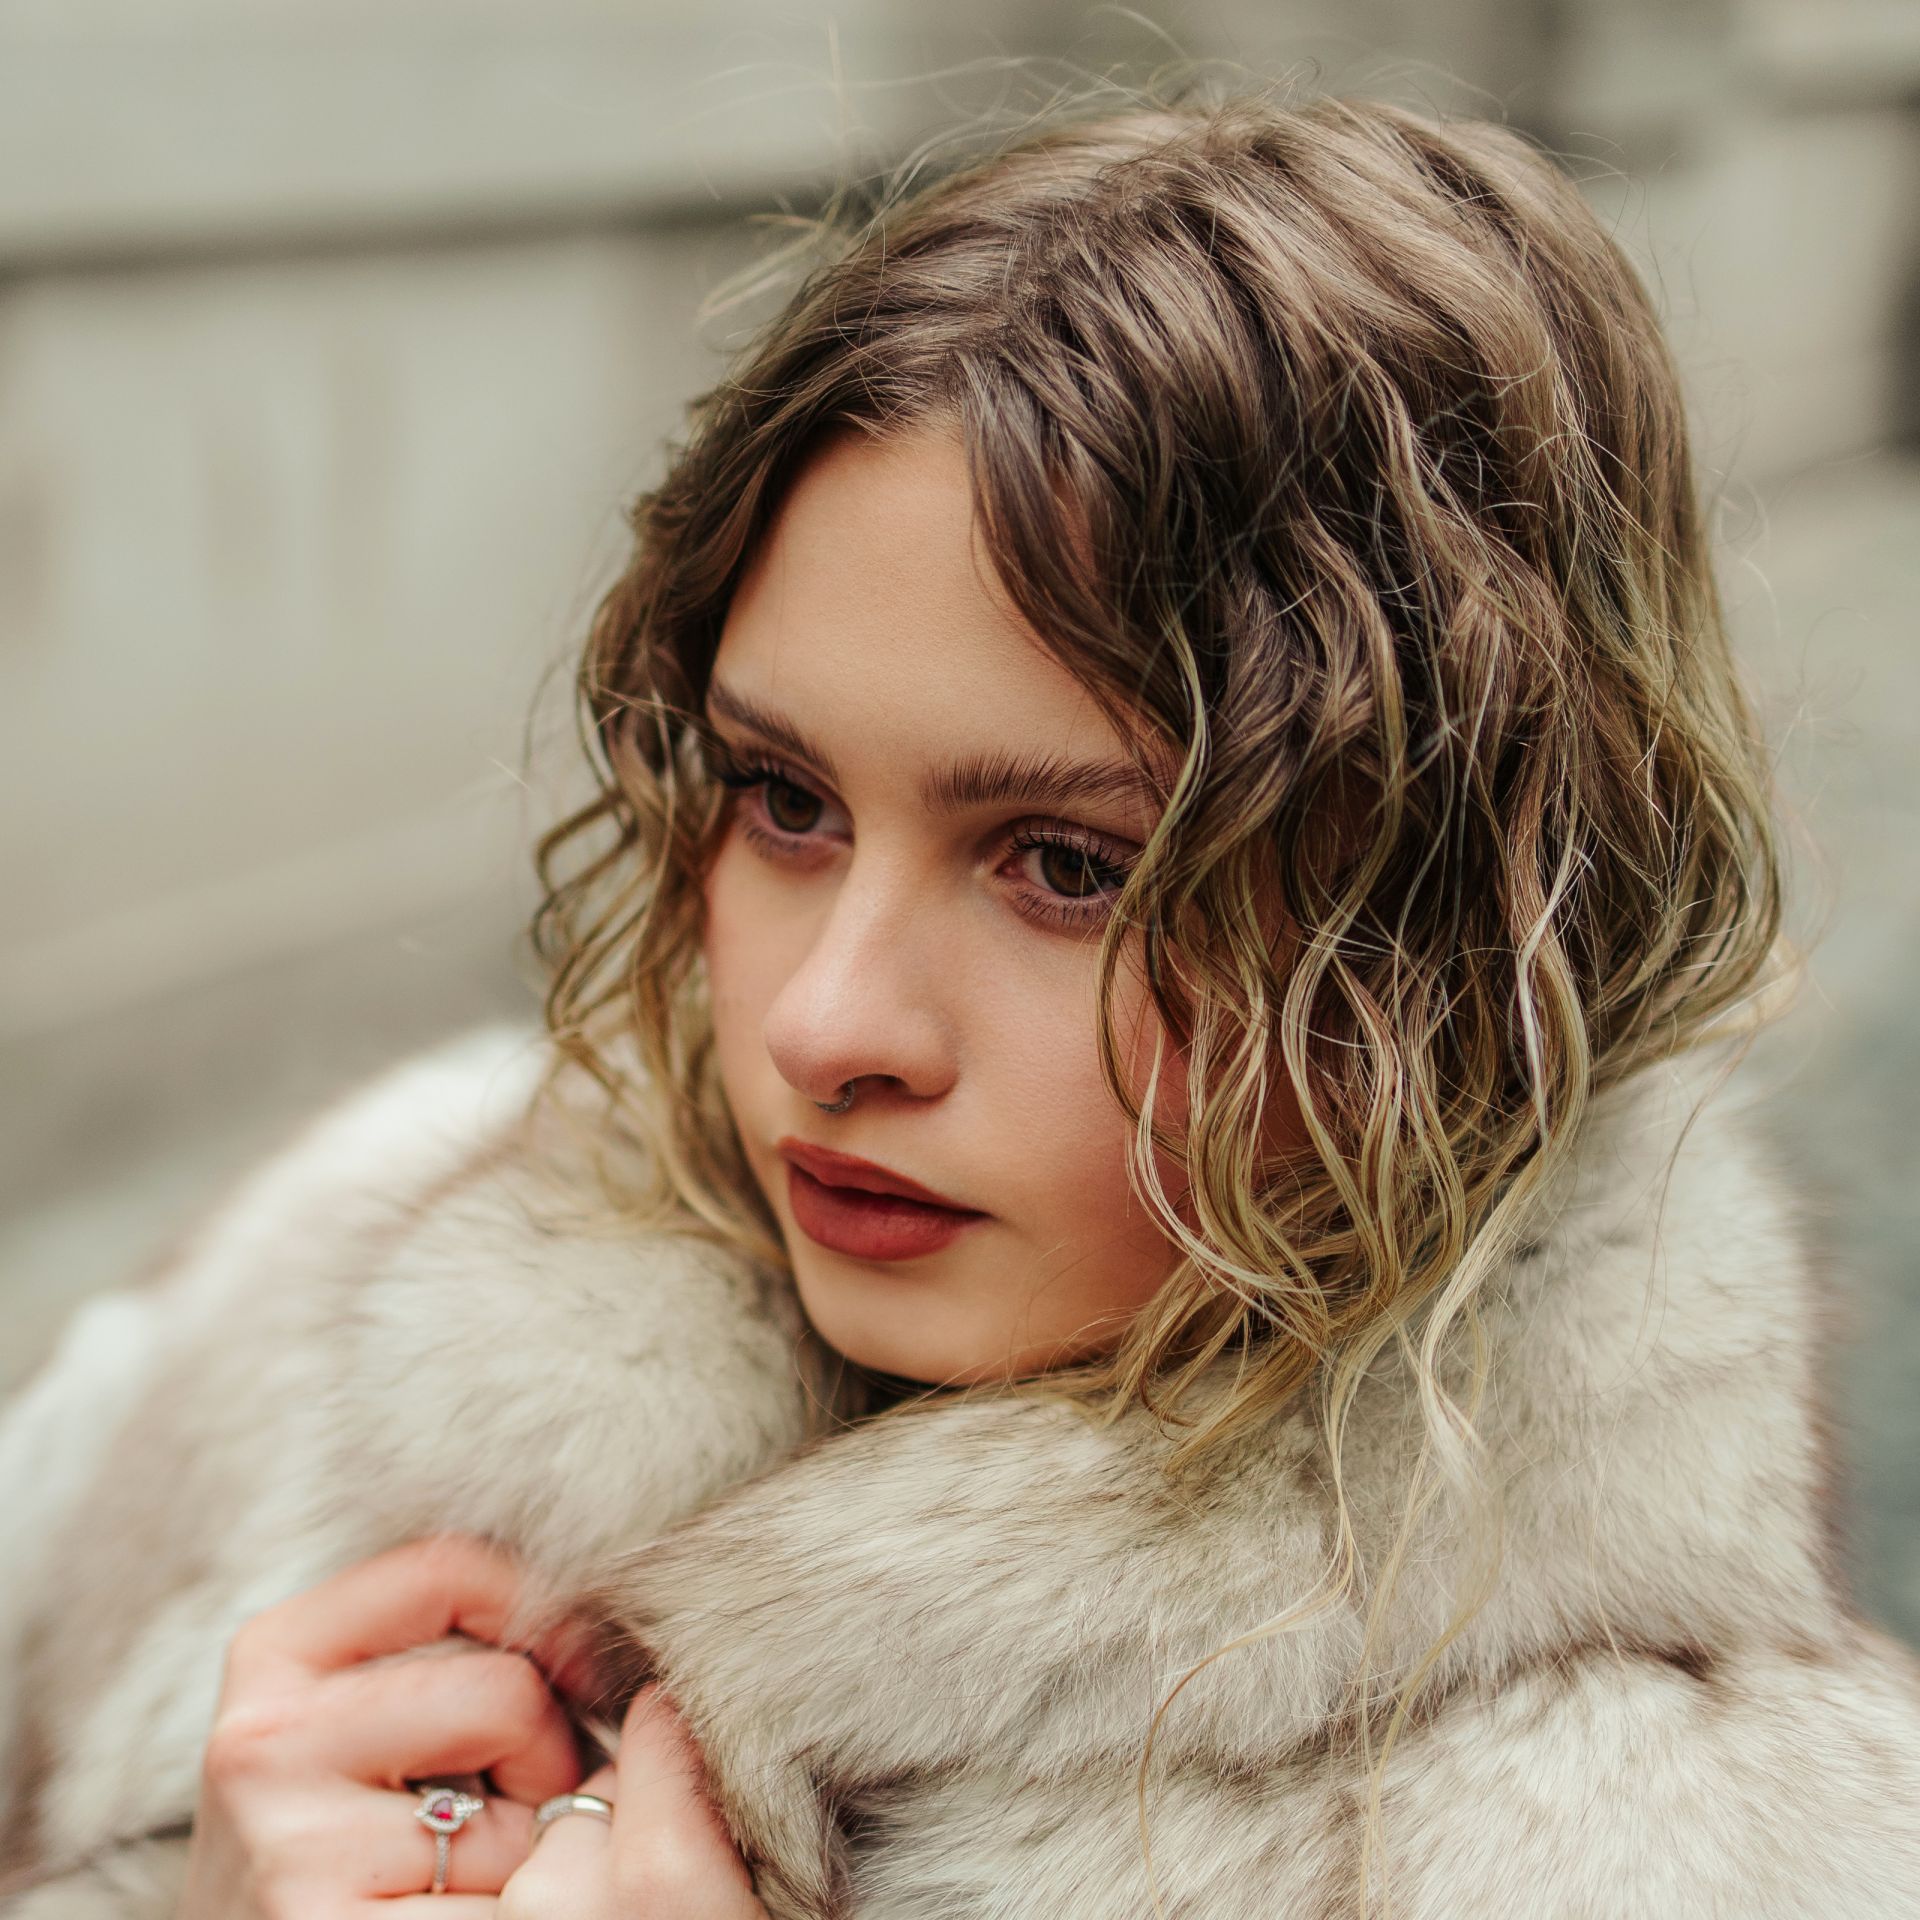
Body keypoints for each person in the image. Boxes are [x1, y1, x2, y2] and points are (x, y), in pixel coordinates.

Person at [3, 84, 1917, 1920]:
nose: (825, 1028)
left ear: (1465, 926)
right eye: (785, 799)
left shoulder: (1687, 1854)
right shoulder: (309, 1313)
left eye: (1070, 866)